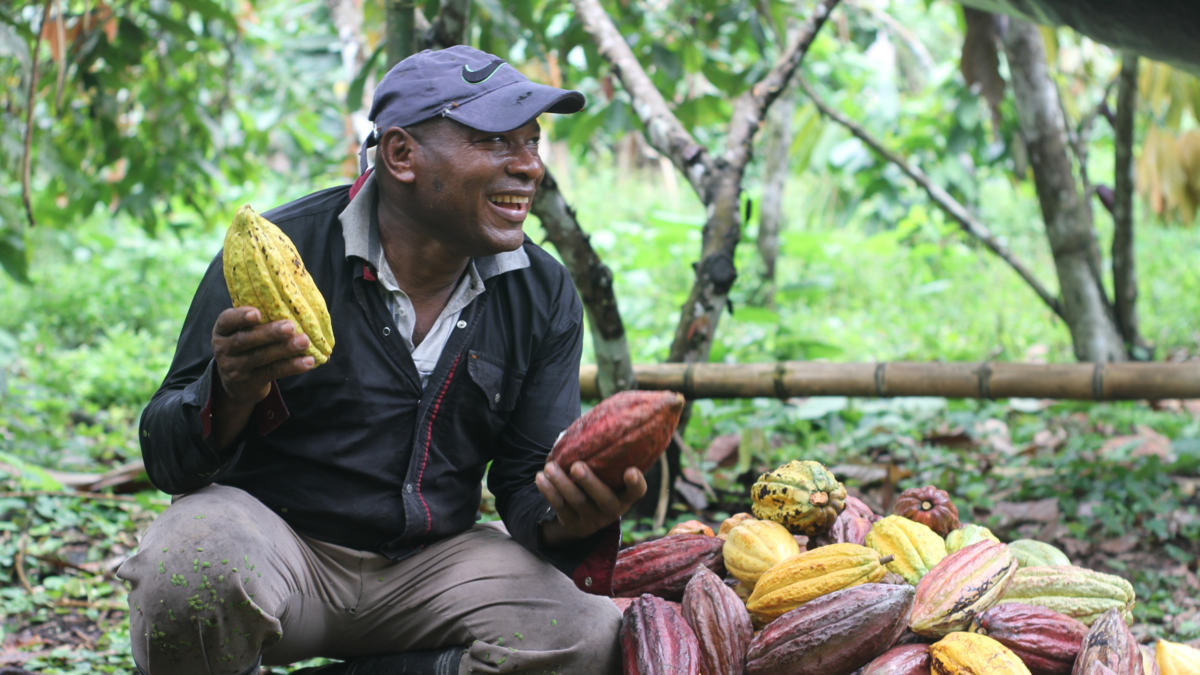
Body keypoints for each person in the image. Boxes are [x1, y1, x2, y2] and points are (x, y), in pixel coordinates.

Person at [119, 45, 647, 675]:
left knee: (584, 635)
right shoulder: (280, 252)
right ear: (401, 155)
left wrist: (574, 515)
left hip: (433, 566)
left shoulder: (542, 290)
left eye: (532, 142)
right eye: (496, 141)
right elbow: (166, 456)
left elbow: (526, 482)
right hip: (281, 553)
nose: (529, 166)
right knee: (188, 569)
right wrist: (230, 390)